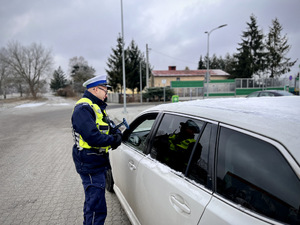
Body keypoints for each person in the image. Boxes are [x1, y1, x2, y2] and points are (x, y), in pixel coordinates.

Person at [71, 75, 122, 225]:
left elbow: (108, 126)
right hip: (89, 162)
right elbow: (93, 137)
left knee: (93, 203)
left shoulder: (97, 107)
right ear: (94, 89)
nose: (107, 93)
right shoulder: (83, 108)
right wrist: (113, 141)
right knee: (96, 207)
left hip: (96, 161)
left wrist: (116, 133)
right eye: (105, 89)